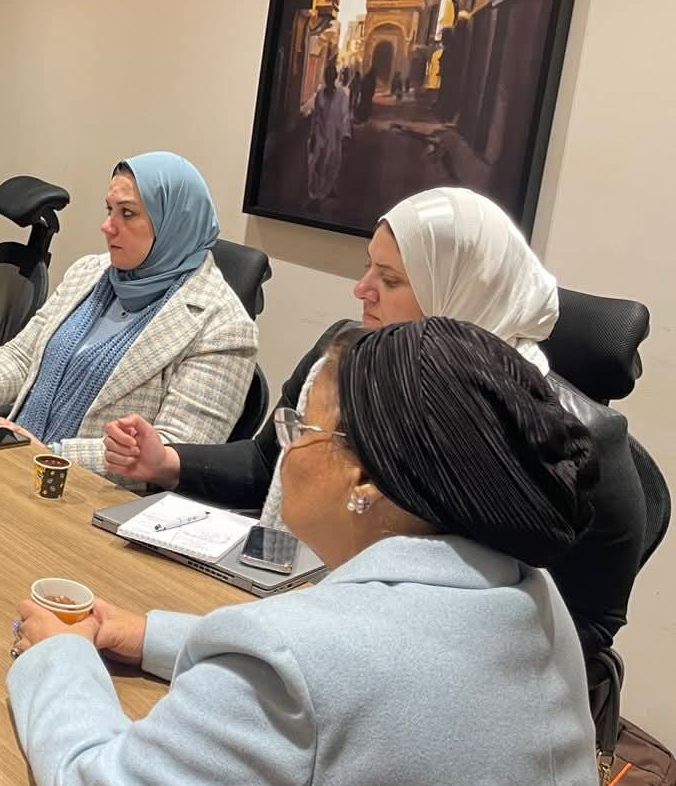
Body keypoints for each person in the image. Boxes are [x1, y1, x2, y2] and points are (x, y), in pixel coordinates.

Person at [9, 318, 612, 786]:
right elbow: (372, 664)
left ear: (365, 475)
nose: (287, 449)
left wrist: (59, 657)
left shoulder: (298, 662)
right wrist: (151, 637)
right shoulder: (530, 590)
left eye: (301, 427)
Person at [103, 186, 645, 659]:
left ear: (458, 292)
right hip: (289, 614)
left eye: (388, 279)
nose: (361, 289)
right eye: (368, 267)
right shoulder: (340, 360)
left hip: (429, 665)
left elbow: (585, 620)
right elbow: (268, 465)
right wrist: (167, 461)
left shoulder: (577, 438)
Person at [0, 153, 255, 474]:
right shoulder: (90, 272)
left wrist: (47, 453)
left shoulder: (223, 328)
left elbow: (176, 452)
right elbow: (25, 357)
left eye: (127, 214)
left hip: (91, 494)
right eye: (110, 210)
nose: (107, 227)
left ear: (175, 223)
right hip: (13, 462)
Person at [304, 60, 349, 202]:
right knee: (316, 164)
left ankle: (326, 190)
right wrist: (313, 134)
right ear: (325, 77)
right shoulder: (320, 95)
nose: (329, 78)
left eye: (331, 75)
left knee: (331, 164)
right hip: (320, 134)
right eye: (327, 75)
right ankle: (315, 195)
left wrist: (345, 135)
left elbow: (345, 116)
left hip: (334, 136)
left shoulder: (342, 95)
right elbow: (316, 116)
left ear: (335, 77)